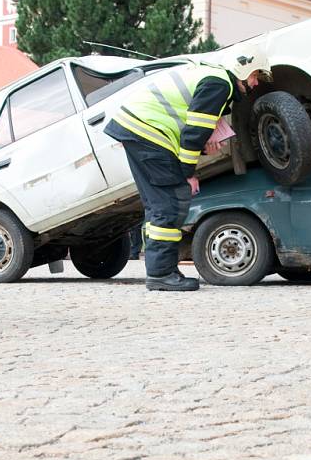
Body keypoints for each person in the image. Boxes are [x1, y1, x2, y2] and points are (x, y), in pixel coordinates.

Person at [104, 45, 273, 291]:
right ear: (243, 66)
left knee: (157, 204)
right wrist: (188, 173)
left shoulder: (212, 76)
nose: (256, 83)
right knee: (171, 201)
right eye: (256, 76)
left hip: (137, 128)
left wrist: (200, 149)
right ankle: (161, 274)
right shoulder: (220, 84)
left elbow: (192, 130)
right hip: (150, 132)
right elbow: (193, 134)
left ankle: (160, 270)